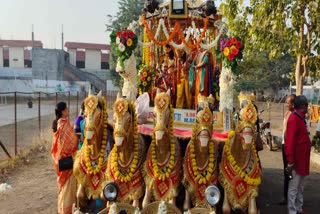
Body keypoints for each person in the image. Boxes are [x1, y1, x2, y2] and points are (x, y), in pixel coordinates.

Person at [285, 95, 311, 214]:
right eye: (307, 105)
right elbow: (289, 141)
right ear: (303, 106)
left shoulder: (300, 117)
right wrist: (290, 161)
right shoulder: (294, 118)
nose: (308, 107)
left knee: (300, 187)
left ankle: (299, 208)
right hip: (296, 161)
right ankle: (292, 211)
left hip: (303, 160)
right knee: (294, 188)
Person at [51, 102, 78, 214]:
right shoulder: (63, 125)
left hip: (61, 161)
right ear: (62, 111)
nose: (68, 110)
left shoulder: (60, 124)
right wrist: (77, 139)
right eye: (66, 108)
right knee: (67, 189)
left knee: (64, 189)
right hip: (67, 160)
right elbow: (70, 143)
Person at [278, 94, 296, 206]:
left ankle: (291, 198)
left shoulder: (295, 116)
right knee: (286, 172)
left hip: (290, 147)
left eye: (288, 103)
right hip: (285, 145)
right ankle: (286, 196)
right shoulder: (287, 113)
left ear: (293, 104)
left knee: (291, 173)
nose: (286, 104)